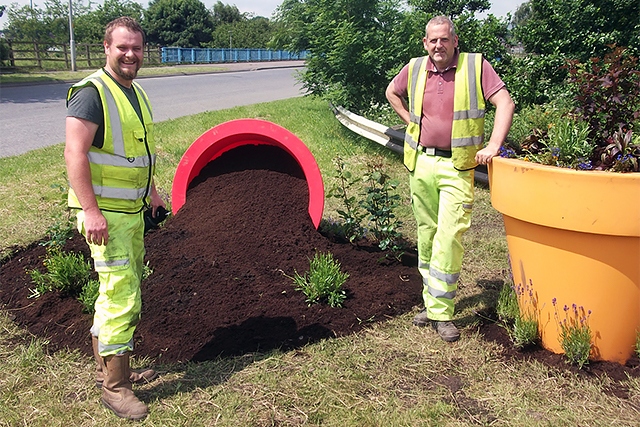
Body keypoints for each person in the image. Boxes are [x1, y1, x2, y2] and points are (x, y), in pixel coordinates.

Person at [386, 15, 515, 342]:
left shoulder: (475, 67)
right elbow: (392, 92)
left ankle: (442, 313)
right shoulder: (415, 68)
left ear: (455, 41)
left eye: (444, 39)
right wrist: (411, 122)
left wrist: (494, 145)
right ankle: (432, 305)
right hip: (421, 164)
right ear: (425, 43)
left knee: (448, 236)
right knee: (427, 236)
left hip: (457, 167)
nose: (438, 45)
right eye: (433, 40)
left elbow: (505, 102)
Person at [65, 16, 166, 420]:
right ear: (106, 48)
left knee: (117, 292)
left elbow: (139, 151)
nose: (130, 54)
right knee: (122, 297)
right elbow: (75, 154)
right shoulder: (92, 93)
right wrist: (90, 211)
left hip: (130, 212)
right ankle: (115, 387)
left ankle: (107, 369)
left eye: (136, 48)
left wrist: (152, 191)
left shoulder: (135, 91)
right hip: (105, 216)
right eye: (122, 47)